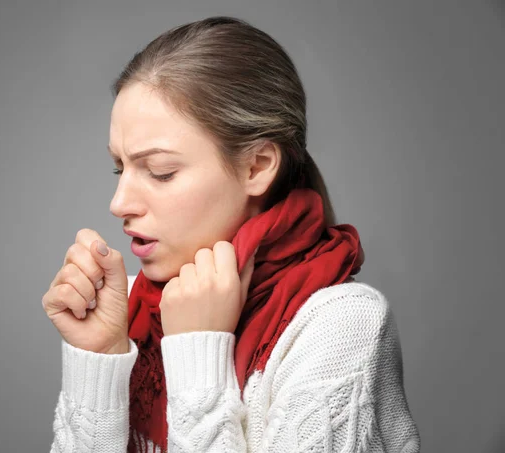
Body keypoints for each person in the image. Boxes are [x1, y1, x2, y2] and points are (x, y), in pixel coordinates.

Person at [42, 16, 421, 453]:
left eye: (160, 172)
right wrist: (101, 358)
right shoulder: (133, 311)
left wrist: (198, 351)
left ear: (257, 166)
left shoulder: (341, 327)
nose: (119, 202)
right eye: (119, 167)